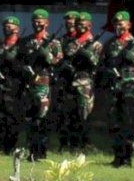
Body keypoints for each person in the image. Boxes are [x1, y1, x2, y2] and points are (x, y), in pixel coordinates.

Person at [101, 11, 134, 167]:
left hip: (129, 87)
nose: (118, 26)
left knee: (128, 121)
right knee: (114, 121)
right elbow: (102, 65)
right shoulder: (109, 44)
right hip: (114, 87)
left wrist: (133, 57)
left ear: (128, 25)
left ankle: (127, 158)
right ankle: (117, 156)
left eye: (121, 23)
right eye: (116, 24)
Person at [18, 8, 64, 161]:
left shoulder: (54, 42)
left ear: (47, 22)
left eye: (40, 20)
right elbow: (19, 61)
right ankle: (32, 152)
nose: (37, 23)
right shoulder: (26, 41)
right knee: (30, 119)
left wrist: (47, 55)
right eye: (35, 20)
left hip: (44, 85)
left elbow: (58, 62)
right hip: (30, 84)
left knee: (42, 119)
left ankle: (41, 153)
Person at [58, 12, 103, 152]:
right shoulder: (69, 42)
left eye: (83, 24)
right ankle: (69, 144)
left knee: (84, 114)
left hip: (85, 83)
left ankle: (83, 144)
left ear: (90, 25)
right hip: (69, 82)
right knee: (69, 113)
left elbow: (98, 64)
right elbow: (62, 58)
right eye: (77, 24)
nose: (80, 26)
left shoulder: (96, 44)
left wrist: (87, 54)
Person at [0, 16, 24, 154]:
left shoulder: (21, 45)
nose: (7, 28)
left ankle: (9, 148)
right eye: (5, 26)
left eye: (10, 26)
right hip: (0, 87)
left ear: (17, 29)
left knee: (12, 119)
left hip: (15, 87)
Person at [54, 11, 80, 149]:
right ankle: (63, 144)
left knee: (78, 114)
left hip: (79, 82)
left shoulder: (84, 40)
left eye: (73, 20)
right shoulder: (62, 40)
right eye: (67, 20)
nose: (70, 23)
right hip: (64, 81)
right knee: (63, 113)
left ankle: (76, 145)